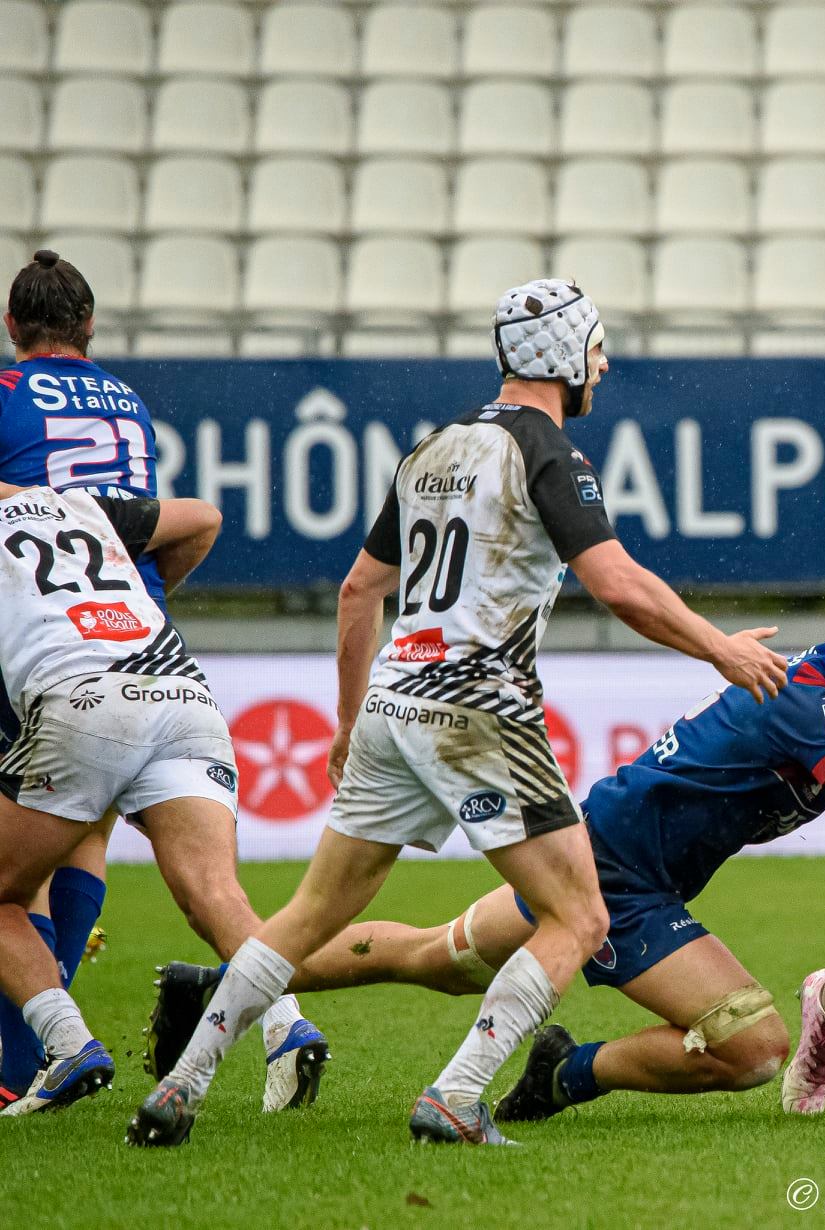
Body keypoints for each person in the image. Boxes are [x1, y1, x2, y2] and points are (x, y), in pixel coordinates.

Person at [127, 279, 787, 1148]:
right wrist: (721, 649)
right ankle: (457, 1095)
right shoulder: (551, 455)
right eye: (594, 348)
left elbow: (361, 590)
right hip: (479, 706)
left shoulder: (430, 452)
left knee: (304, 918)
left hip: (394, 701)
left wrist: (345, 719)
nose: (605, 364)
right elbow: (618, 583)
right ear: (560, 355)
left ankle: (179, 1087)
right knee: (581, 919)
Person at [158, 592, 825, 1122]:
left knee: (440, 956)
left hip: (605, 848)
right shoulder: (806, 702)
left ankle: (225, 985)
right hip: (619, 877)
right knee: (752, 1047)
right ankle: (569, 1069)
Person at [0, 249, 328, 1114]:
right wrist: (145, 593)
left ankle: (51, 1045)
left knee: (23, 866)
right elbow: (193, 518)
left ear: (10, 328)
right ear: (92, 327)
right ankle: (287, 1025)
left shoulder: (7, 403)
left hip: (55, 654)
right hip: (160, 656)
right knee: (204, 888)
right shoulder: (128, 406)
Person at [0, 478, 269, 1115]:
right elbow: (204, 515)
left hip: (82, 702)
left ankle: (67, 1044)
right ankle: (289, 1027)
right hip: (179, 687)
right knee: (217, 894)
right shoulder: (81, 503)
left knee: (8, 888)